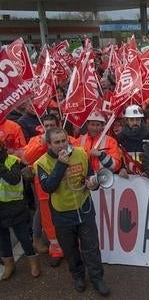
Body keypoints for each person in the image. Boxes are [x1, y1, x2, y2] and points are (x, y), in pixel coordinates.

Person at [34, 128, 110, 295]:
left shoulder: (81, 153)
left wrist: (93, 183)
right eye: (57, 142)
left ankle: (97, 278)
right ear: (49, 144)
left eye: (64, 141)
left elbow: (90, 175)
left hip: (84, 208)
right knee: (70, 249)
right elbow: (48, 187)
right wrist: (61, 164)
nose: (62, 145)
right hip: (62, 213)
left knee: (91, 247)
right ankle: (78, 276)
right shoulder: (42, 163)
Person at [23, 114, 68, 267]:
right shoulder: (35, 140)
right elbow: (27, 157)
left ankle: (70, 249)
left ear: (58, 125)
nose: (48, 128)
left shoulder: (64, 140)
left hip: (65, 189)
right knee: (48, 222)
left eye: (52, 125)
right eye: (46, 126)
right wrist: (42, 144)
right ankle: (56, 251)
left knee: (67, 220)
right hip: (43, 191)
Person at [0, 139, 40, 280]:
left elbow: (14, 179)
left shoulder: (13, 160)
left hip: (15, 205)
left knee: (23, 236)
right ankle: (9, 265)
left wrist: (1, 166)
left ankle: (33, 262)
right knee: (3, 239)